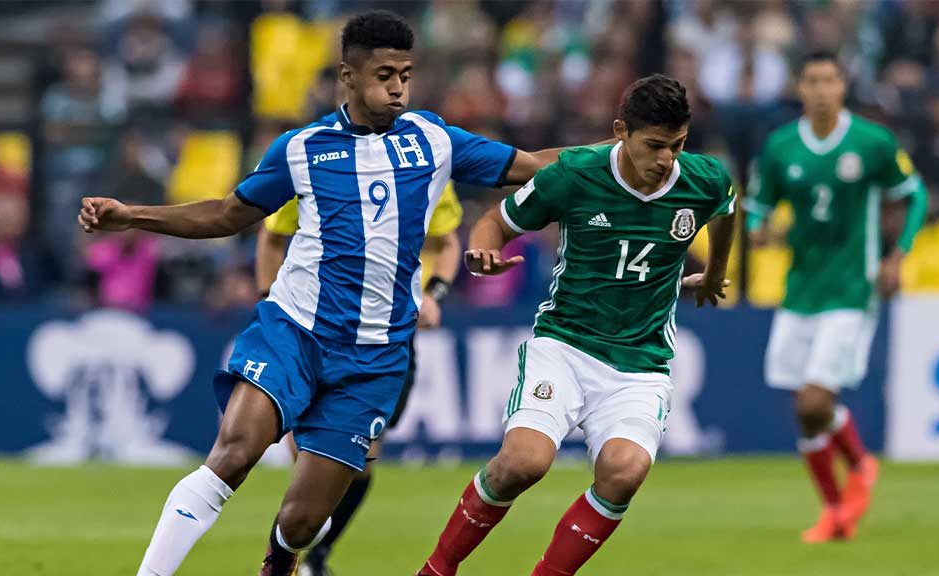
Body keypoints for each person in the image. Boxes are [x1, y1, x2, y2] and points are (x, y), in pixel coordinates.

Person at [78, 11, 567, 576]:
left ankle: (279, 564)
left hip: (375, 357)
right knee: (233, 454)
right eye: (385, 74)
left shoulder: (435, 141)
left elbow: (534, 167)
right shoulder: (302, 148)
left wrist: (617, 154)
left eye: (406, 74)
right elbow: (227, 214)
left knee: (303, 522)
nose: (398, 87)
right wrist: (133, 215)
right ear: (347, 76)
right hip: (296, 331)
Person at [418, 73, 736, 576]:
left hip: (641, 361)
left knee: (625, 471)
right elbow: (496, 222)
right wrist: (484, 248)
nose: (666, 160)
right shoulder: (574, 174)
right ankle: (436, 569)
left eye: (677, 146)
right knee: (523, 463)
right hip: (565, 345)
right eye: (654, 146)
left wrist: (715, 273)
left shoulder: (704, 178)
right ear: (621, 131)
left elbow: (725, 209)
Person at [743, 52, 928, 543]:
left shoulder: (872, 141)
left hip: (852, 288)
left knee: (813, 401)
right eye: (812, 81)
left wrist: (896, 256)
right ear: (800, 88)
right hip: (800, 289)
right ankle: (850, 482)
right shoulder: (781, 146)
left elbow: (915, 195)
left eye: (830, 80)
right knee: (805, 407)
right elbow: (760, 204)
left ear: (843, 86)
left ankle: (843, 492)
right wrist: (759, 229)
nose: (822, 89)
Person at [254, 181, 463, 576]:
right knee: (311, 459)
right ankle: (289, 560)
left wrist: (435, 293)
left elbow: (446, 241)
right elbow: (271, 237)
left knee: (358, 464)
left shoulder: (428, 163)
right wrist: (269, 300)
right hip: (314, 329)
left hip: (390, 334)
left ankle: (312, 553)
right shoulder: (317, 163)